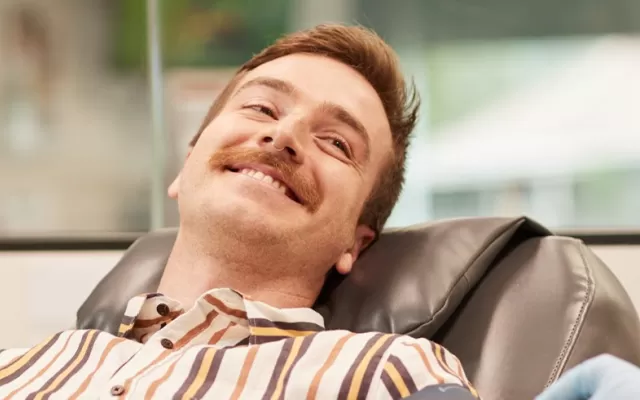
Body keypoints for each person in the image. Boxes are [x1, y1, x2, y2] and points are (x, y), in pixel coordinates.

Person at [0, 24, 480, 399]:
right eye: (261, 109)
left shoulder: (392, 372)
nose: (284, 136)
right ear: (186, 165)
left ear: (354, 243)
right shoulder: (17, 368)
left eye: (335, 142)